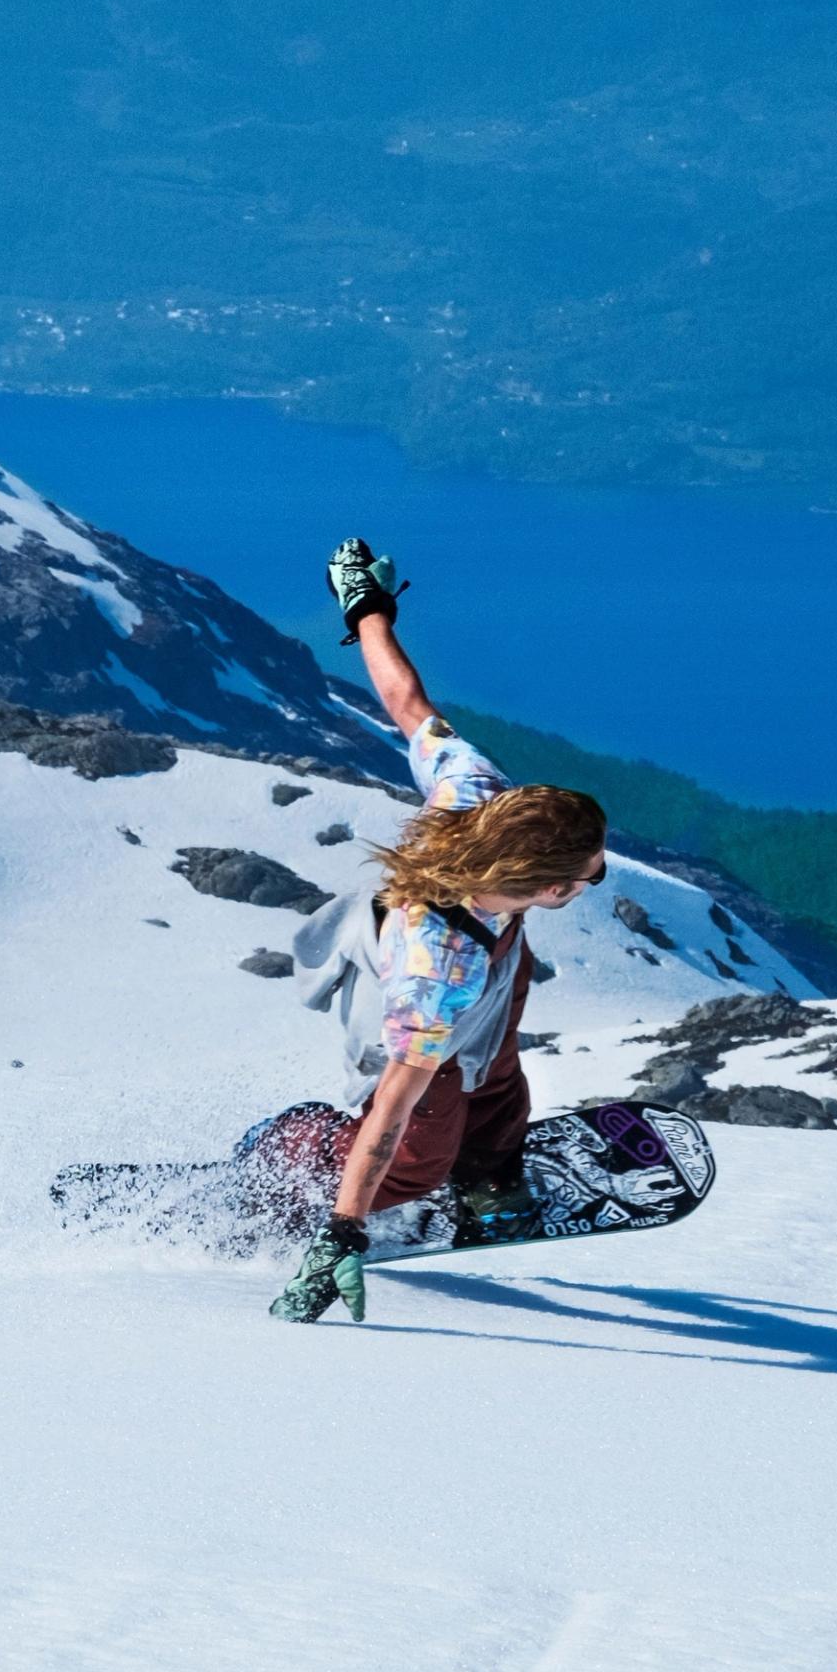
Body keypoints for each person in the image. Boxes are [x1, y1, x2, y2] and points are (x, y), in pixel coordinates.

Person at [270, 538, 607, 1325]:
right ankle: (298, 1158)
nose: (597, 879)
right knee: (418, 1152)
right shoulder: (440, 970)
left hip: (474, 965)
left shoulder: (476, 793)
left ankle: (490, 1170)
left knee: (496, 1055)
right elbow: (392, 1106)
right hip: (399, 1004)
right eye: (588, 875)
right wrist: (343, 1233)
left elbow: (409, 705)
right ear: (547, 886)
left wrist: (368, 611)